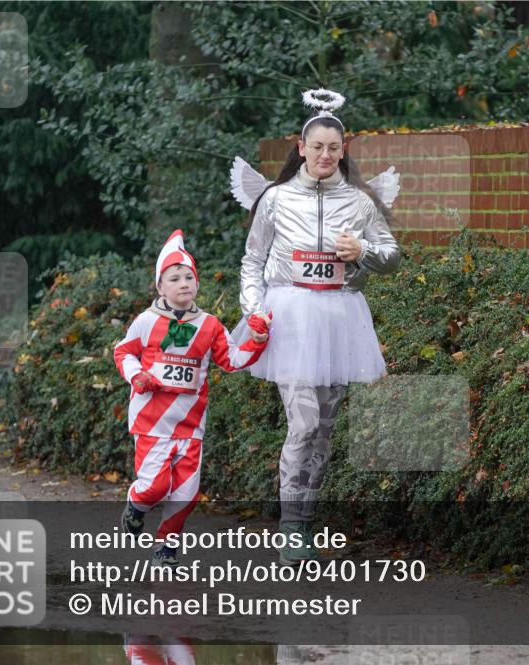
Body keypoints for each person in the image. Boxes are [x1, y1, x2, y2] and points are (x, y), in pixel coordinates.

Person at [233, 89, 401, 565]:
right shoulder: (275, 199)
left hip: (339, 320)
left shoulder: (361, 203)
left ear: (343, 150)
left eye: (333, 147)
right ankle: (290, 527)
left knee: (323, 430)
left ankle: (303, 523)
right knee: (303, 423)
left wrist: (362, 252)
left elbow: (392, 257)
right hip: (289, 319)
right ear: (301, 148)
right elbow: (252, 262)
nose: (325, 155)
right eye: (317, 147)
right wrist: (254, 311)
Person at [114, 229, 271, 566]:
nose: (183, 283)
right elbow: (123, 352)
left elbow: (232, 359)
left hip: (191, 423)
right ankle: (136, 505)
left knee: (186, 494)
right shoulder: (145, 321)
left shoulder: (210, 325)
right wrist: (137, 375)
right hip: (152, 422)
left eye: (189, 277)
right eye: (174, 278)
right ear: (160, 287)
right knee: (154, 488)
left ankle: (166, 548)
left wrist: (257, 340)